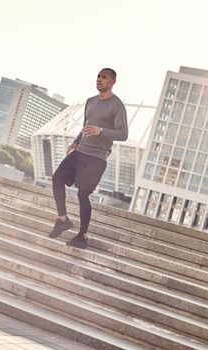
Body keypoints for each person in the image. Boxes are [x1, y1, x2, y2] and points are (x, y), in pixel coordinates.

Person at [48, 68, 128, 249]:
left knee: (83, 194)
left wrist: (102, 131)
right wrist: (76, 142)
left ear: (113, 82)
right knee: (57, 178)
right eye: (98, 76)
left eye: (104, 77)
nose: (99, 79)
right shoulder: (90, 101)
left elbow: (123, 134)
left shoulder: (117, 106)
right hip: (80, 150)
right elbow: (86, 125)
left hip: (97, 157)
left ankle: (82, 236)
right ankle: (62, 219)